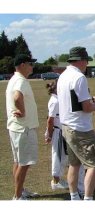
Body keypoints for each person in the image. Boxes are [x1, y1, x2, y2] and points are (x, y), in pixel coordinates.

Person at [57, 46, 95, 200]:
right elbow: (86, 107)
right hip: (81, 128)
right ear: (82, 61)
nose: (87, 65)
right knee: (94, 163)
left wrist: (91, 101)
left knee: (74, 164)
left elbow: (75, 102)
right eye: (86, 61)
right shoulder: (79, 77)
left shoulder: (63, 76)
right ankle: (88, 199)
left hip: (67, 126)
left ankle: (74, 197)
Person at [6, 54, 39, 200]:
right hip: (24, 128)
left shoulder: (14, 79)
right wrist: (23, 111)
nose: (32, 66)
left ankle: (20, 190)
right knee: (24, 164)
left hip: (16, 128)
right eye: (30, 63)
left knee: (18, 162)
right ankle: (18, 197)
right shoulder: (20, 80)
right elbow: (17, 97)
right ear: (22, 65)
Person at [45, 80, 85, 197]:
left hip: (63, 131)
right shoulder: (55, 101)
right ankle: (55, 181)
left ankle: (59, 180)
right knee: (58, 156)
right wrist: (49, 134)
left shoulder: (58, 100)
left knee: (64, 157)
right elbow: (50, 119)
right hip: (58, 132)